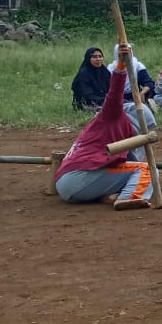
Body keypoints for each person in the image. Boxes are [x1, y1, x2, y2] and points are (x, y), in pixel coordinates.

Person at [55, 44, 154, 207]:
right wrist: (121, 63)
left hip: (64, 181)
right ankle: (130, 197)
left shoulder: (99, 125)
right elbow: (115, 92)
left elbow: (128, 162)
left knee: (128, 169)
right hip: (78, 179)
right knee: (146, 169)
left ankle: (107, 194)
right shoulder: (113, 115)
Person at [71, 46, 111, 111]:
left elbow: (111, 88)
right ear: (88, 58)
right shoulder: (83, 74)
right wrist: (104, 100)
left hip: (104, 102)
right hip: (86, 104)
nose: (98, 59)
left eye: (100, 56)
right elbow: (86, 95)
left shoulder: (105, 72)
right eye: (94, 57)